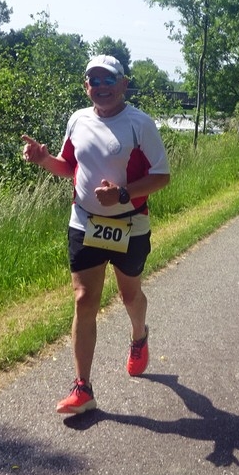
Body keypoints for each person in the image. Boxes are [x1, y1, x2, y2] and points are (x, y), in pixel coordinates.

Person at [21, 55, 172, 414]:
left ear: (123, 84)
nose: (101, 87)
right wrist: (43, 160)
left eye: (109, 80)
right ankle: (82, 389)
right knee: (83, 299)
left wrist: (123, 194)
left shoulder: (139, 123)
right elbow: (69, 166)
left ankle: (139, 335)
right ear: (85, 85)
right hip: (85, 221)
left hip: (129, 224)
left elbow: (162, 176)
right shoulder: (78, 119)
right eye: (94, 81)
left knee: (129, 294)